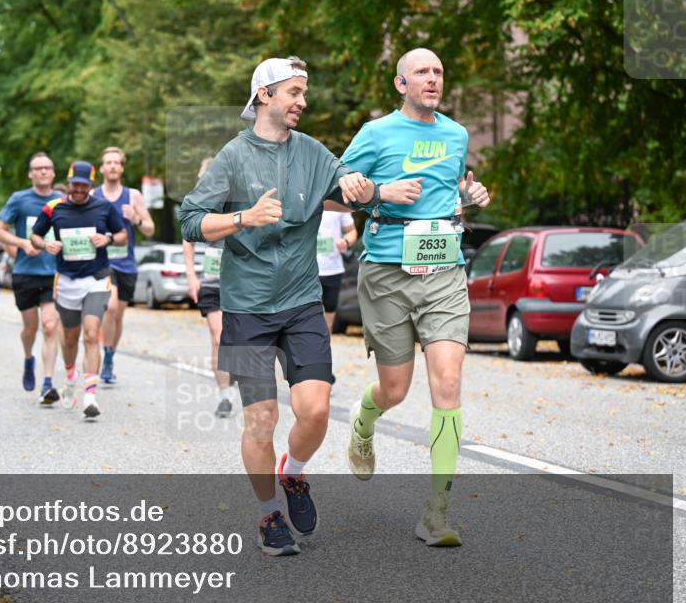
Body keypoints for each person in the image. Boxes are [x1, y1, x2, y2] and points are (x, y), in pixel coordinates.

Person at [179, 56, 373, 556]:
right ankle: (267, 515)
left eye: (303, 93)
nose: (302, 102)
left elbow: (355, 187)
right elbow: (190, 219)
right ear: (265, 95)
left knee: (316, 410)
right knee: (260, 421)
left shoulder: (311, 152)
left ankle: (293, 473)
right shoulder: (231, 157)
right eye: (294, 92)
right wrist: (243, 217)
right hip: (243, 309)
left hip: (303, 303)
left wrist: (365, 187)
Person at [340, 48, 491, 547]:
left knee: (447, 383)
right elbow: (334, 191)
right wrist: (378, 192)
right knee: (396, 389)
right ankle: (365, 419)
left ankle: (437, 511)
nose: (433, 78)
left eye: (439, 71)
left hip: (444, 271)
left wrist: (468, 198)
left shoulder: (456, 134)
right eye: (422, 72)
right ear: (400, 83)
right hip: (386, 273)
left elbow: (447, 196)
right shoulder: (375, 134)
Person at [31, 161, 126, 418]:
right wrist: (45, 245)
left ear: (91, 185)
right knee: (70, 338)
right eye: (76, 184)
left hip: (96, 278)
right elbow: (35, 235)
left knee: (91, 334)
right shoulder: (53, 208)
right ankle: (71, 376)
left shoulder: (104, 208)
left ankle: (90, 397)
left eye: (84, 185)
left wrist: (107, 238)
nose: (80, 189)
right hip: (67, 281)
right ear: (69, 183)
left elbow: (122, 235)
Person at [0, 151, 63, 405]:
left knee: (50, 326)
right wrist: (21, 245)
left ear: (53, 173)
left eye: (47, 167)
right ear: (31, 174)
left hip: (53, 273)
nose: (43, 171)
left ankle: (47, 383)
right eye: (38, 168)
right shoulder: (19, 200)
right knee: (30, 328)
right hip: (25, 274)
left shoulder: (61, 200)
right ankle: (27, 358)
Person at [93, 146, 155, 384]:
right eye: (108, 162)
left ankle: (109, 356)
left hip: (126, 263)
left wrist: (136, 218)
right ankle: (105, 353)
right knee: (110, 308)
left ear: (121, 167)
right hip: (102, 262)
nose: (112, 166)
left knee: (118, 315)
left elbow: (150, 229)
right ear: (101, 168)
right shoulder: (93, 195)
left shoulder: (133, 196)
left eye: (116, 163)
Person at [182, 157, 237, 418]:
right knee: (218, 336)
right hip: (212, 280)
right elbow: (188, 240)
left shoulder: (241, 200)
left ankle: (235, 371)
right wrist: (191, 276)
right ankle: (225, 396)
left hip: (241, 282)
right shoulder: (199, 205)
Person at [317, 205, 359, 332]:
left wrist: (345, 241)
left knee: (328, 322)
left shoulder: (336, 203)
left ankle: (323, 350)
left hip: (332, 269)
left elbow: (352, 231)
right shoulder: (303, 198)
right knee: (306, 316)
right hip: (305, 269)